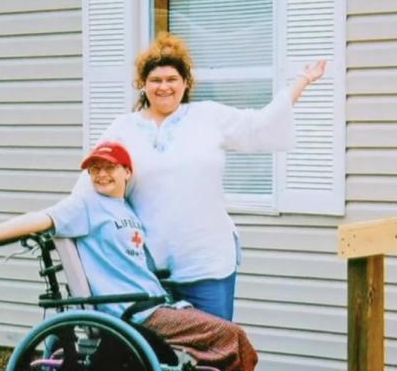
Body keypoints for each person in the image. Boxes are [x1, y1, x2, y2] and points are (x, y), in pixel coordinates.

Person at [0, 141, 276, 371]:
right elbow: (40, 218)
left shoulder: (127, 211)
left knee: (236, 339)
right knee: (225, 335)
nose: (101, 175)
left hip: (155, 304)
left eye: (110, 168)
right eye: (95, 170)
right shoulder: (84, 206)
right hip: (134, 313)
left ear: (127, 173)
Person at [83, 33, 327, 320]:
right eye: (156, 80)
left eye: (172, 79)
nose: (164, 87)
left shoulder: (207, 116)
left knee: (215, 352)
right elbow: (92, 181)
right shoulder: (123, 128)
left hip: (207, 262)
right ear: (142, 85)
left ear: (185, 83)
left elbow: (259, 125)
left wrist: (302, 81)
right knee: (161, 358)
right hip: (149, 267)